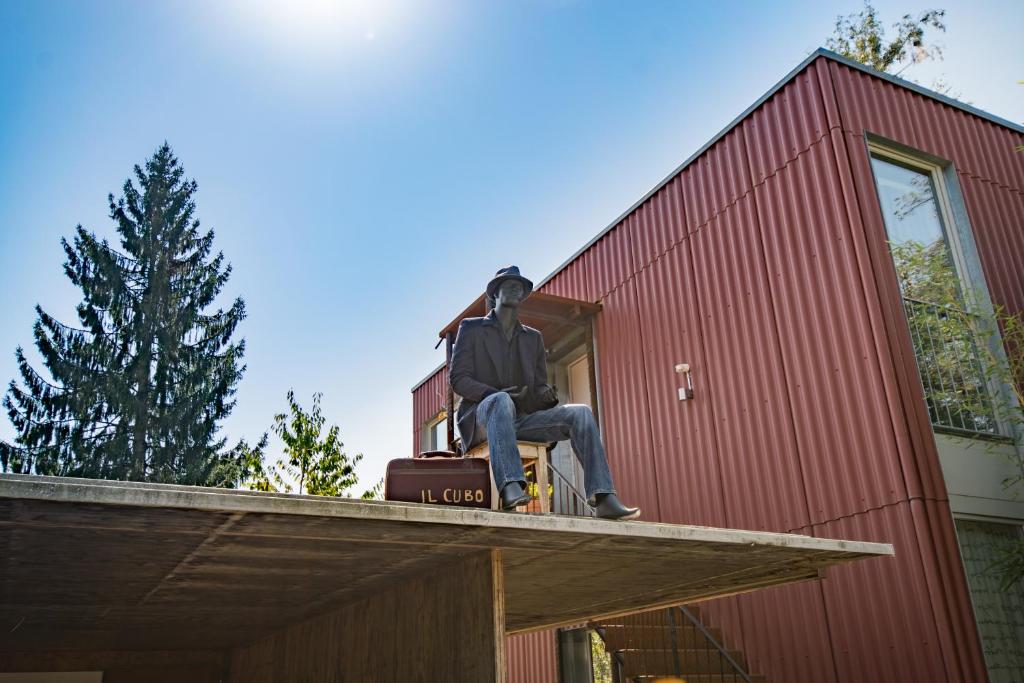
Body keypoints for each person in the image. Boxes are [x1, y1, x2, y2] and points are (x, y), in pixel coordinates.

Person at [449, 266, 640, 520]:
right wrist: (494, 393)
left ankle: (603, 497)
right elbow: (458, 379)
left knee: (581, 413)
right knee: (500, 400)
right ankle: (511, 485)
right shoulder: (471, 329)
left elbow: (538, 385)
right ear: (494, 294)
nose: (517, 288)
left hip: (521, 420)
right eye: (509, 284)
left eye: (521, 286)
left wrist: (545, 395)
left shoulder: (533, 338)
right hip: (482, 418)